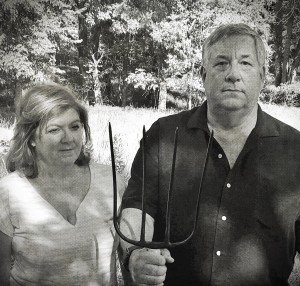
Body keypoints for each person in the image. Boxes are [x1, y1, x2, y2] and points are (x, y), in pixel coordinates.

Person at [118, 23, 300, 285]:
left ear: (262, 76)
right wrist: (134, 254)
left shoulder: (294, 150)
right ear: (204, 74)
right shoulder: (165, 136)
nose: (233, 74)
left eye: (246, 63)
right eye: (221, 63)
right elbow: (137, 206)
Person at [0, 83, 124, 286]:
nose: (69, 138)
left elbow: (128, 256)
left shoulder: (110, 181)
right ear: (31, 138)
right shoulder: (8, 193)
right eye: (55, 129)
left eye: (75, 127)